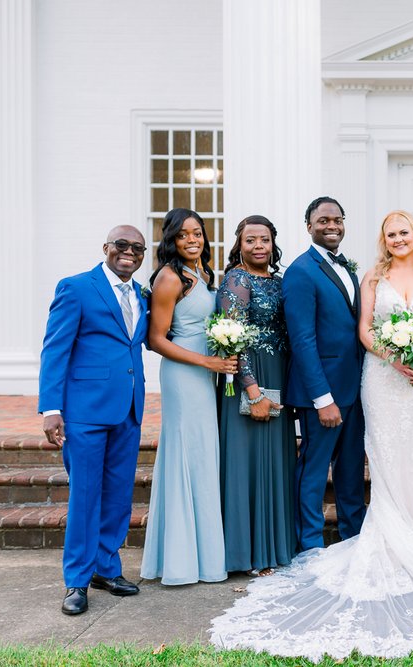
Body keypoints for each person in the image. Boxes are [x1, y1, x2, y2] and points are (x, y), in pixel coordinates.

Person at [211, 211, 413, 660]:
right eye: (391, 233)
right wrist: (393, 354)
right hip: (382, 378)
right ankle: (365, 541)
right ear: (383, 239)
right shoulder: (371, 275)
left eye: (404, 232)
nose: (398, 238)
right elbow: (364, 329)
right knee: (383, 458)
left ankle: (412, 540)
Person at [39, 225, 149, 615]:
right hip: (84, 412)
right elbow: (56, 348)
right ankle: (77, 581)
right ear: (105, 248)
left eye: (137, 248)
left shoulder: (140, 294)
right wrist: (52, 407)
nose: (130, 252)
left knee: (118, 496)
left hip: (128, 409)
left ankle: (106, 568)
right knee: (86, 496)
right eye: (122, 245)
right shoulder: (76, 287)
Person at [141, 208, 233, 585]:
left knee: (203, 456)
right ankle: (181, 561)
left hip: (208, 371)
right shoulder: (169, 277)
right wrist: (205, 362)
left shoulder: (205, 274)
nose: (192, 240)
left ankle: (207, 557)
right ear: (171, 240)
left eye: (198, 233)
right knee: (186, 454)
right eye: (183, 235)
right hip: (184, 373)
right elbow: (156, 339)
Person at [282, 196, 366, 551]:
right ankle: (311, 545)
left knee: (350, 472)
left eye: (337, 219)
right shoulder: (301, 271)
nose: (332, 226)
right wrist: (322, 398)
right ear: (309, 226)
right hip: (325, 395)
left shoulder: (348, 267)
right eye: (323, 220)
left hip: (354, 388)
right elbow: (302, 340)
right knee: (315, 471)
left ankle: (353, 538)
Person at [217, 215, 296, 576]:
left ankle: (274, 549)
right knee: (248, 461)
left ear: (273, 242)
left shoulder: (279, 281)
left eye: (264, 239)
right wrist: (252, 388)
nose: (258, 246)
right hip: (251, 377)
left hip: (278, 370)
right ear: (240, 244)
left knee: (275, 460)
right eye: (251, 240)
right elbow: (234, 336)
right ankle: (247, 553)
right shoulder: (236, 279)